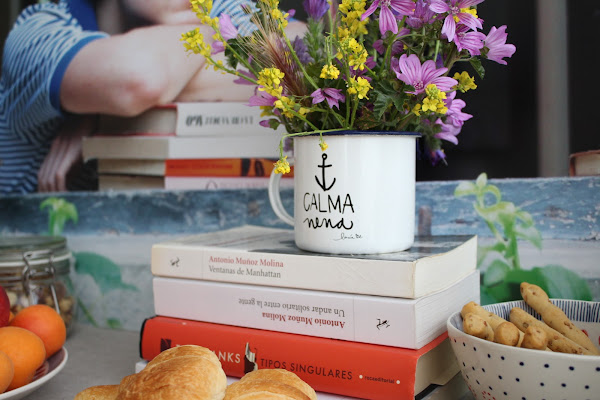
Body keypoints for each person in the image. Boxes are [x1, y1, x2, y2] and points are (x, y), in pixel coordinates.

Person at [0, 0, 303, 194]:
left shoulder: (204, 8)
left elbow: (305, 57)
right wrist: (218, 33)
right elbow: (140, 77)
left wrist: (99, 114)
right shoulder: (38, 31)